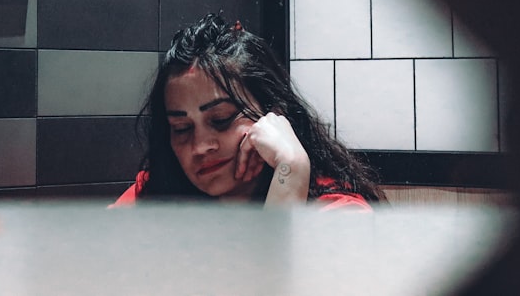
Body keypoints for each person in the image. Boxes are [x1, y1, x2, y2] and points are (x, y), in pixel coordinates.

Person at [112, 13, 382, 210]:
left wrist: (292, 169)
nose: (200, 146)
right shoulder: (153, 193)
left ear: (273, 118)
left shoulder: (339, 212)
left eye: (221, 120)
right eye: (182, 129)